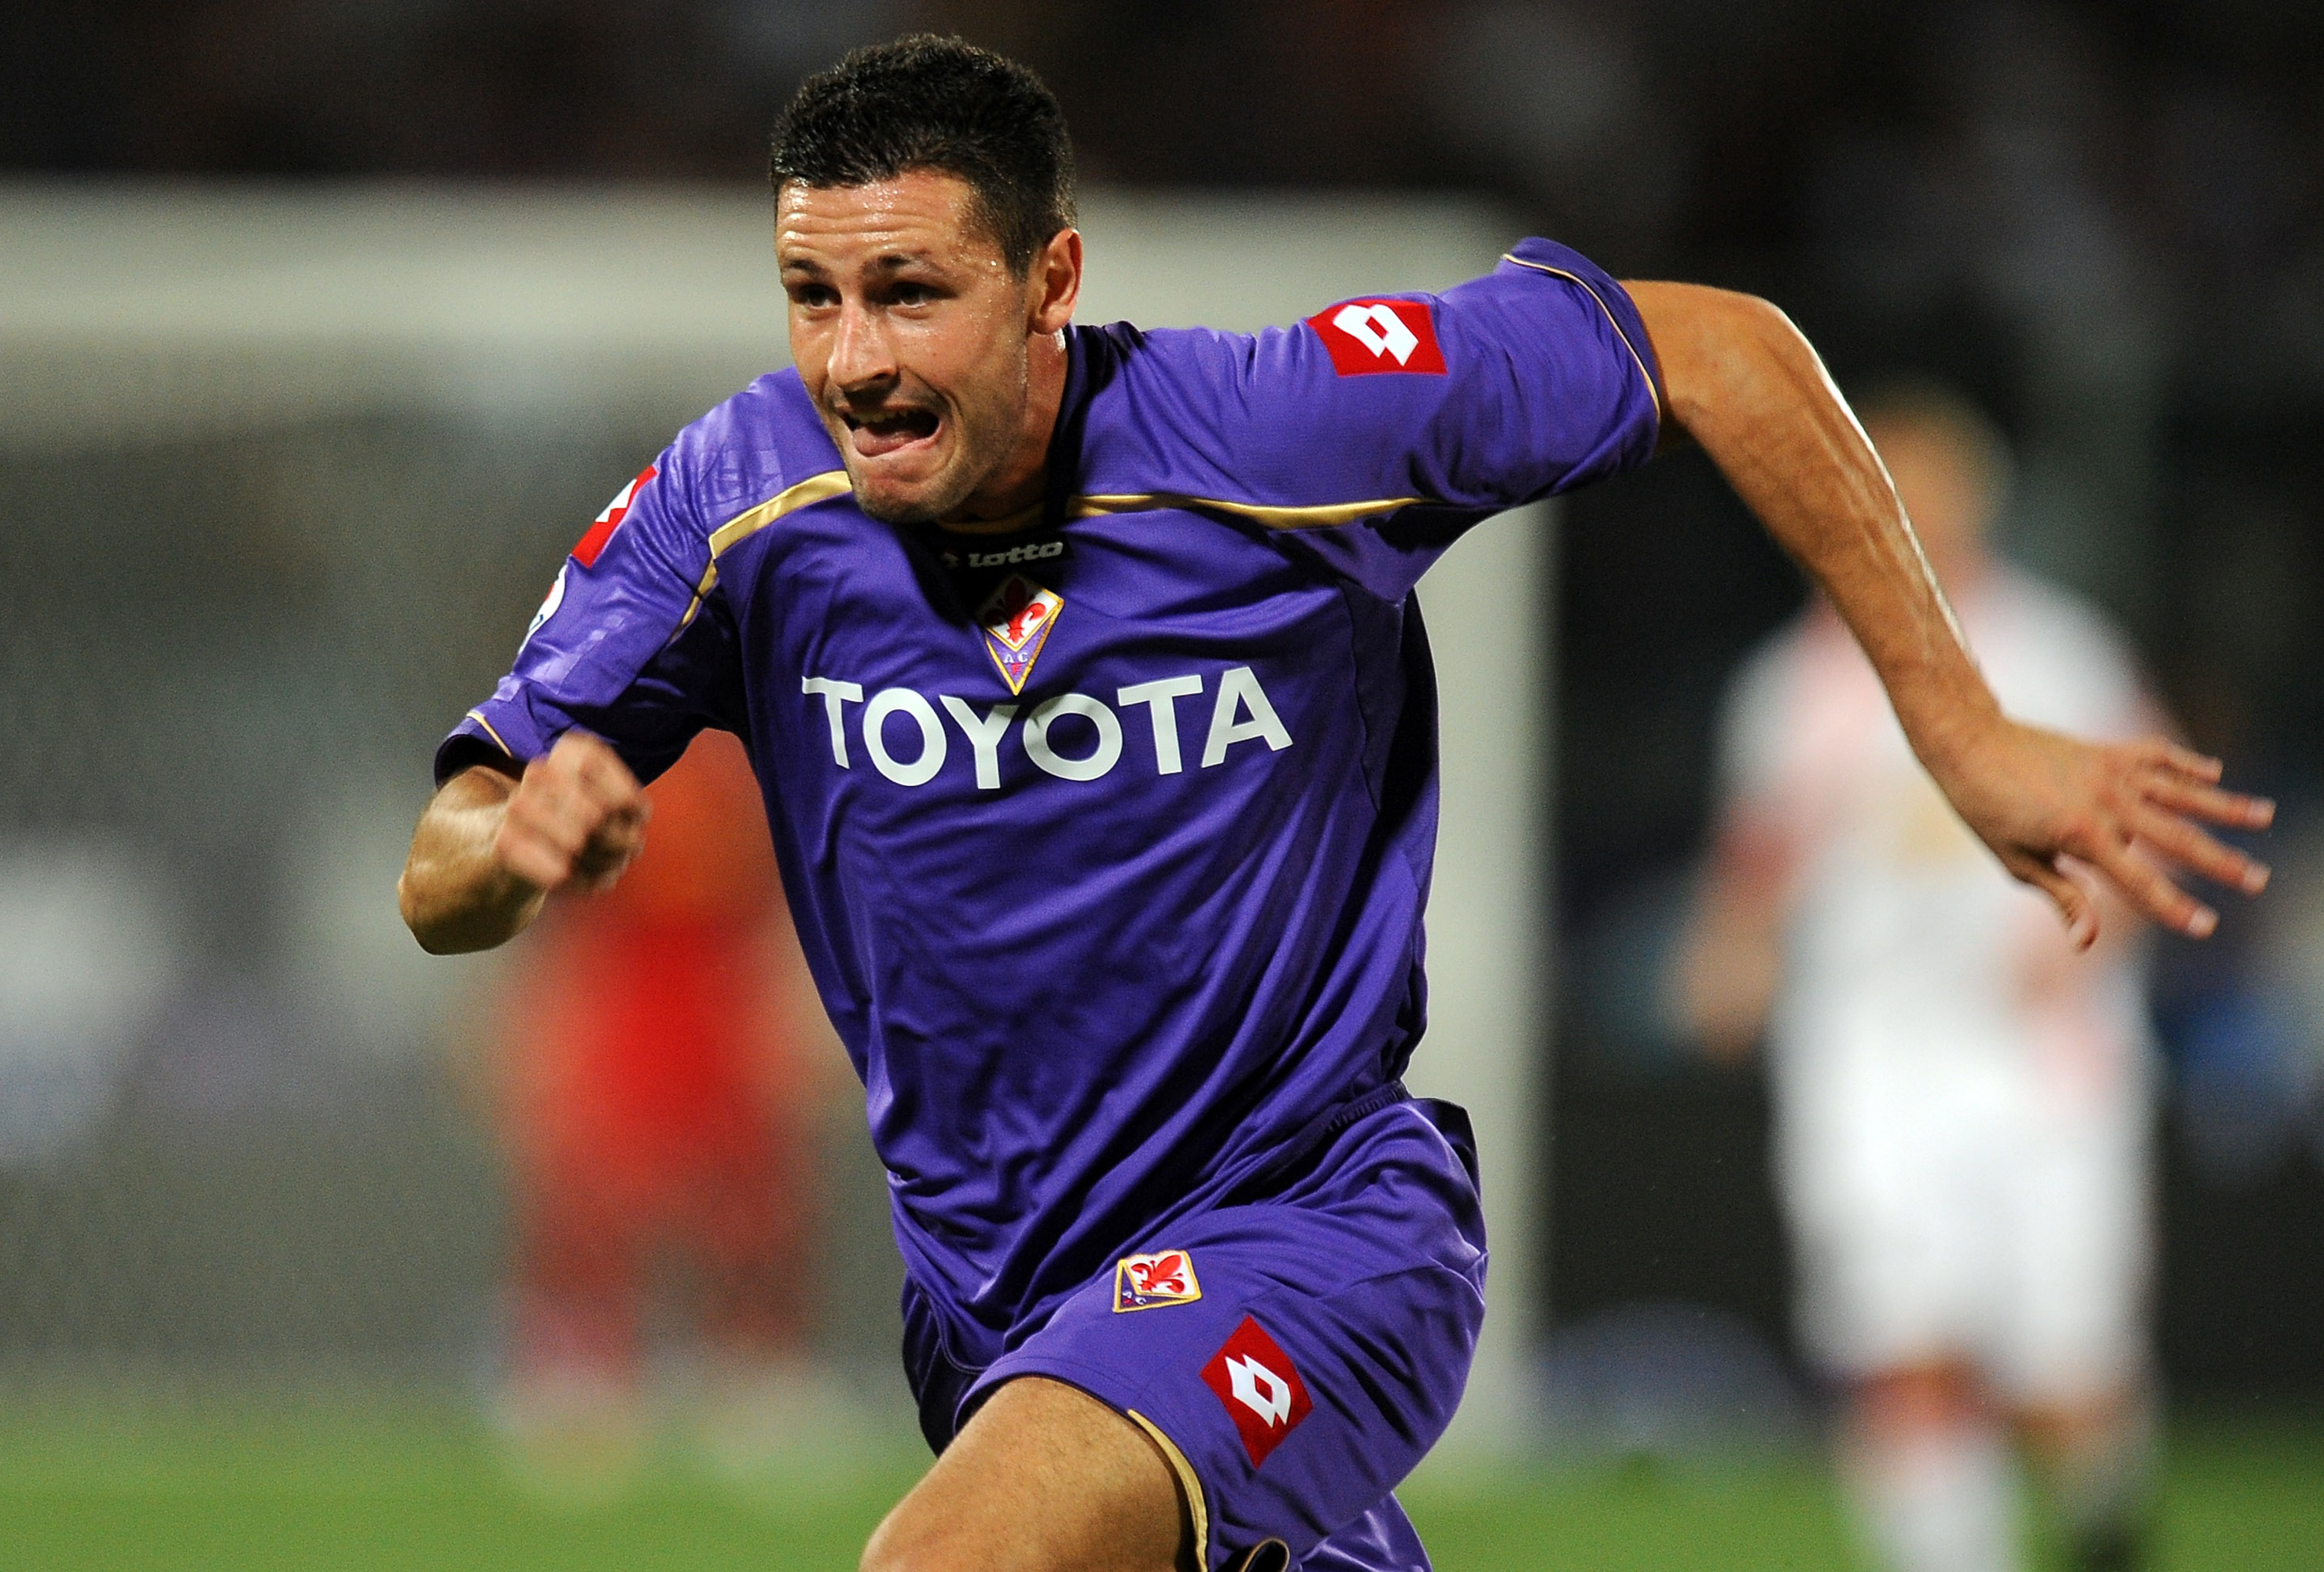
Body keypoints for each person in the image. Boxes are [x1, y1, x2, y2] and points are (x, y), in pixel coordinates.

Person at [397, 35, 2268, 1572]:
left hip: (1311, 1228)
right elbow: (446, 855)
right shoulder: (739, 505)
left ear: (1052, 280)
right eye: (812, 296)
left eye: (909, 293)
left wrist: (1957, 727)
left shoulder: (1278, 432)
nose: (852, 359)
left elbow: (1716, 350)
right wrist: (515, 846)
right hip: (998, 1308)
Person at [1678, 385, 2171, 1572]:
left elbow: (2153, 812)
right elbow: (1760, 857)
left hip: (2038, 1051)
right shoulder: (1793, 683)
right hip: (1869, 1048)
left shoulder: (2056, 650)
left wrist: (2096, 928)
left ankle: (2108, 1498)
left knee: (2064, 1371)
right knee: (1899, 1341)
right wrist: (1729, 956)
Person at [467, 728, 836, 1489]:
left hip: (722, 995)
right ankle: (580, 1375)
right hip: (624, 993)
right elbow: (552, 911)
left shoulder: (755, 750)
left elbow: (788, 895)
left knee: (753, 1200)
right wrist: (531, 1024)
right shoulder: (592, 742)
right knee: (591, 1192)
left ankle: (754, 1374)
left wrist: (800, 1004)